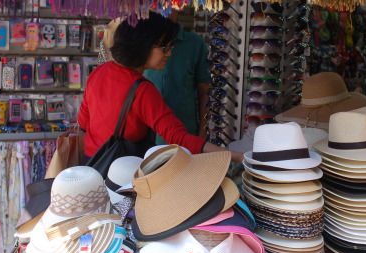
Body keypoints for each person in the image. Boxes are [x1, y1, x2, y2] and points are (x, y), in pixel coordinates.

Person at [78, 13, 243, 162]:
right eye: (165, 47)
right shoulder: (142, 90)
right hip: (121, 172)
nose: (169, 53)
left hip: (92, 163)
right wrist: (240, 157)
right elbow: (178, 137)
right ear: (143, 45)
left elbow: (84, 122)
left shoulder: (99, 72)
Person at [144, 10, 210, 143]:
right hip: (143, 136)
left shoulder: (195, 44)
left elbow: (204, 91)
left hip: (184, 136)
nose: (162, 8)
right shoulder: (140, 41)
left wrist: (202, 135)